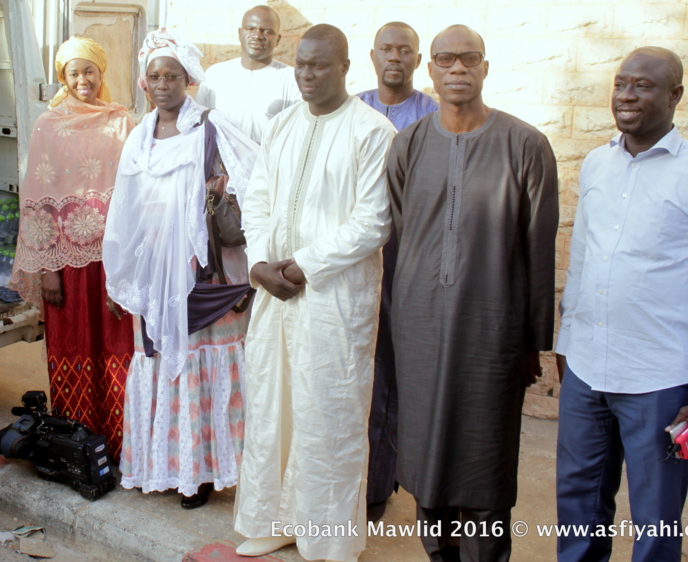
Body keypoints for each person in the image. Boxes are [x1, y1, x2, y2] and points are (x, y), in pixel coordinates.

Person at [554, 47, 688, 562]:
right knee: (577, 505)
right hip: (587, 373)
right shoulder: (596, 163)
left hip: (658, 381)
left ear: (675, 95)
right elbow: (582, 261)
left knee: (655, 520)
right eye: (621, 83)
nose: (627, 96)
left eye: (643, 85)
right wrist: (567, 341)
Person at [386, 25, 558, 562]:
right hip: (417, 330)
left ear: (485, 68)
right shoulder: (409, 144)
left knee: (484, 462)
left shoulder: (525, 145)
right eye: (445, 60)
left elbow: (539, 249)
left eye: (469, 60)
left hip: (492, 332)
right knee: (424, 460)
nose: (457, 69)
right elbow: (393, 238)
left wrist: (533, 341)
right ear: (429, 70)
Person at [234, 24, 395, 561]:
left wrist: (301, 267)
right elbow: (255, 198)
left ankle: (327, 538)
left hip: (333, 297)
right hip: (274, 291)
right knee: (272, 404)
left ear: (346, 67)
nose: (306, 74)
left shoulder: (373, 131)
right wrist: (260, 263)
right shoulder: (281, 125)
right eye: (300, 63)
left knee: (329, 412)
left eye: (319, 65)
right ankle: (272, 519)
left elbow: (373, 222)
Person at [102, 28, 259, 509]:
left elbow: (256, 185)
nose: (164, 83)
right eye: (155, 76)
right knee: (161, 362)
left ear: (188, 79)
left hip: (203, 276)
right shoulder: (137, 137)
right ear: (145, 84)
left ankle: (209, 472)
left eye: (173, 75)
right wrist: (121, 275)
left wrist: (223, 190)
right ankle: (170, 466)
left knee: (204, 366)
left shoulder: (213, 127)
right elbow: (123, 209)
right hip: (153, 273)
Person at [10, 37, 135, 462]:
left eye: (90, 71)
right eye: (73, 72)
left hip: (114, 260)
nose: (83, 80)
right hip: (66, 263)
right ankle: (76, 444)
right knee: (75, 346)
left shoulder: (122, 121)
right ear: (62, 77)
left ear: (103, 74)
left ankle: (121, 444)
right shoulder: (49, 124)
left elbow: (136, 190)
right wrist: (47, 268)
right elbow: (40, 198)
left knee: (119, 346)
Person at [357, 20, 438, 523]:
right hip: (351, 257)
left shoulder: (433, 114)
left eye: (404, 50)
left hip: (407, 258)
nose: (395, 57)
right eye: (387, 49)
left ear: (416, 59)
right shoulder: (352, 108)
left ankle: (377, 485)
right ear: (372, 56)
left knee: (389, 373)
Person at [195, 5, 301, 143]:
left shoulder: (292, 80)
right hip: (218, 163)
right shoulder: (215, 75)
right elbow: (198, 127)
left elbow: (295, 136)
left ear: (278, 40)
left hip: (266, 163)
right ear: (240, 33)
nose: (257, 36)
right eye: (250, 29)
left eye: (267, 31)